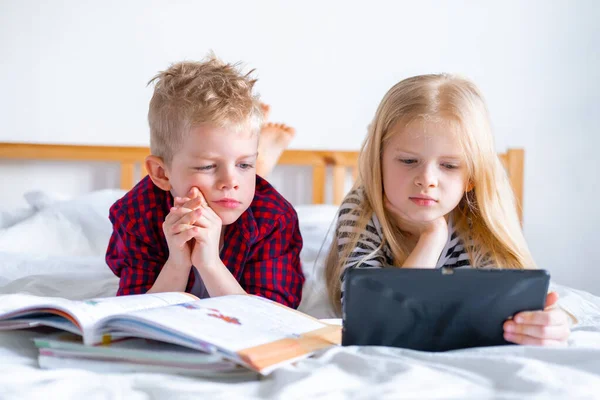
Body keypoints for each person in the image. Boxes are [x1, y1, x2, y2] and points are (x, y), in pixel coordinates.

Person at [324, 74, 571, 345]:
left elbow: (516, 307)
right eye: (408, 160)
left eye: (450, 166)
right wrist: (432, 237)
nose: (427, 179)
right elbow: (378, 318)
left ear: (472, 177)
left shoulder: (480, 217)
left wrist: (549, 321)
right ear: (378, 161)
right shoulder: (361, 209)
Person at [106, 55, 303, 308]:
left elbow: (275, 316)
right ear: (162, 174)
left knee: (253, 191)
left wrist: (210, 264)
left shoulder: (273, 218)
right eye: (207, 166)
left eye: (244, 165)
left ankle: (261, 163)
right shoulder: (136, 213)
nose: (230, 182)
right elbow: (134, 310)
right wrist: (177, 263)